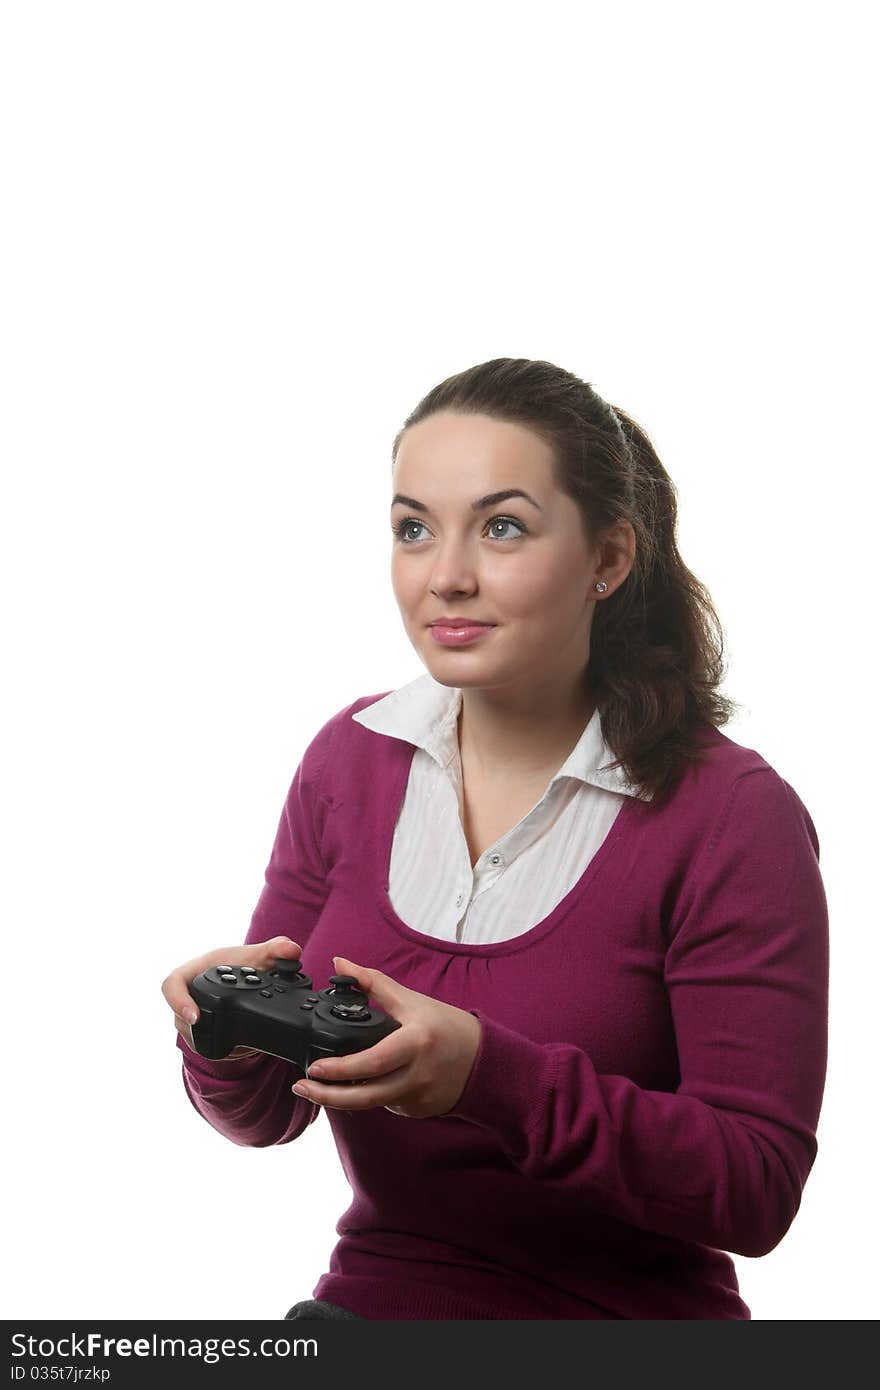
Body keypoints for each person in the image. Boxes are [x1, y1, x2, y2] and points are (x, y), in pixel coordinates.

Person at [162, 357, 829, 1320]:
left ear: (608, 559)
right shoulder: (351, 761)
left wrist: (490, 1078)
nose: (447, 577)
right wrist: (219, 1040)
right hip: (369, 1311)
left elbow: (756, 1187)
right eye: (413, 529)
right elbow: (271, 1114)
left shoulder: (730, 816)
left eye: (503, 527)